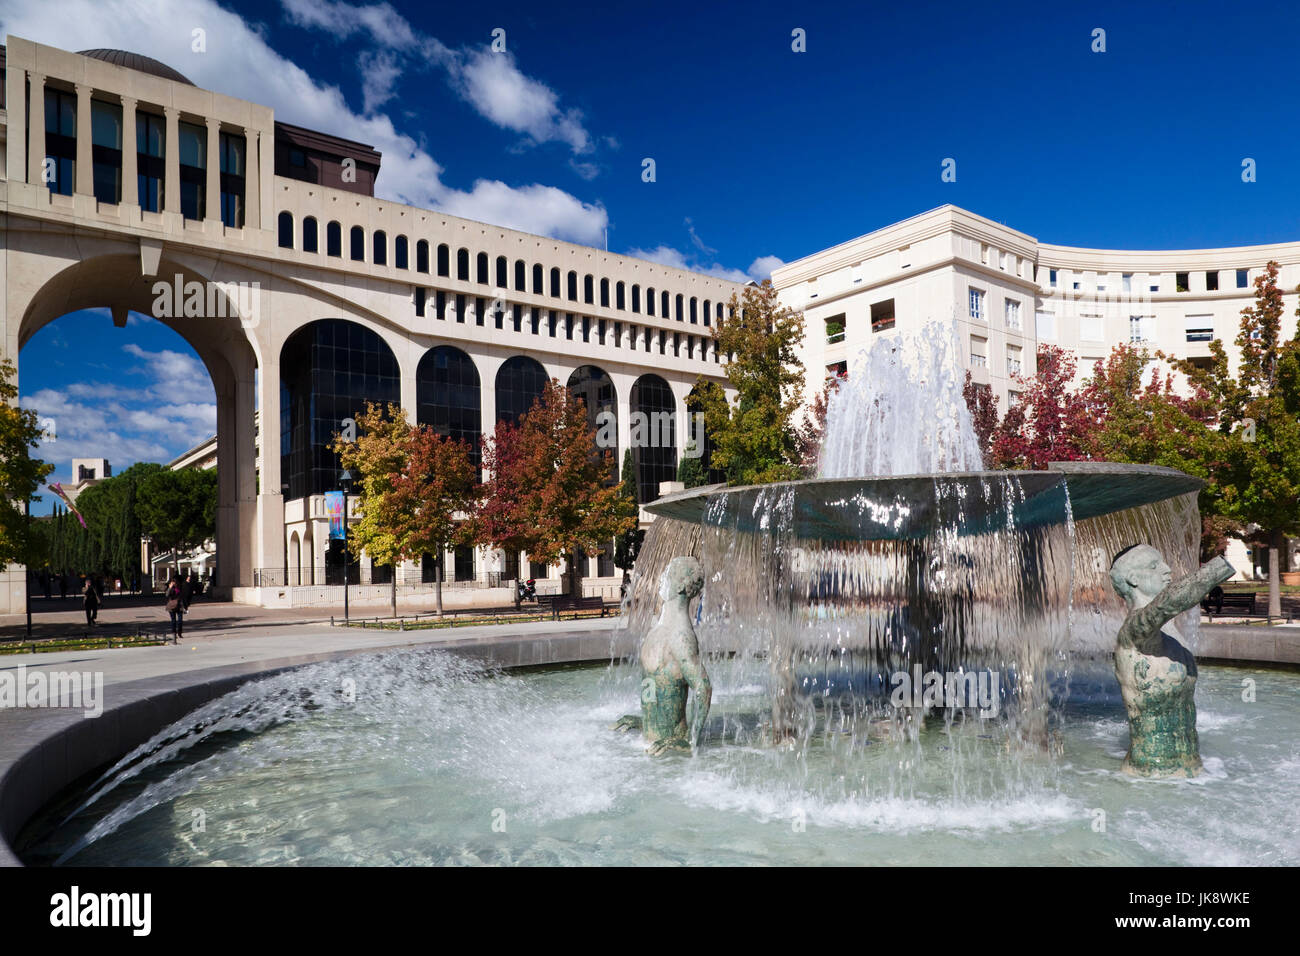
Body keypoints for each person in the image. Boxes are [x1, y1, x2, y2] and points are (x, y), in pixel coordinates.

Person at [165, 576, 185, 641]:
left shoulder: (180, 587)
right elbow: (167, 595)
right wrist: (170, 588)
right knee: (173, 620)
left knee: (180, 620)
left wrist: (184, 606)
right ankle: (174, 633)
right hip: (171, 606)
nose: (174, 583)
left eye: (175, 582)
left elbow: (183, 596)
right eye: (173, 582)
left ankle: (179, 632)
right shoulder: (170, 588)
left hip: (179, 606)